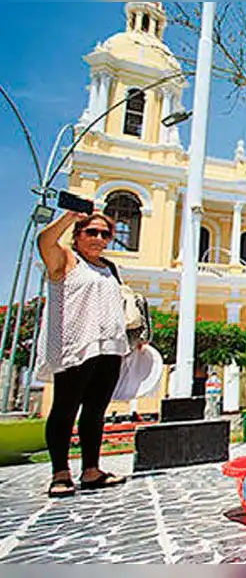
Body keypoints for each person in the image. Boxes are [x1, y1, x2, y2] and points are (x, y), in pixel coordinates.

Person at [36, 211, 130, 497]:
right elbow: (44, 240)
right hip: (76, 345)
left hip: (109, 346)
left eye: (105, 234)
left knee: (95, 410)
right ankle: (60, 472)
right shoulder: (65, 259)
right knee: (65, 407)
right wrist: (69, 216)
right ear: (77, 235)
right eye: (91, 232)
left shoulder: (109, 268)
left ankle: (91, 469)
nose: (98, 238)